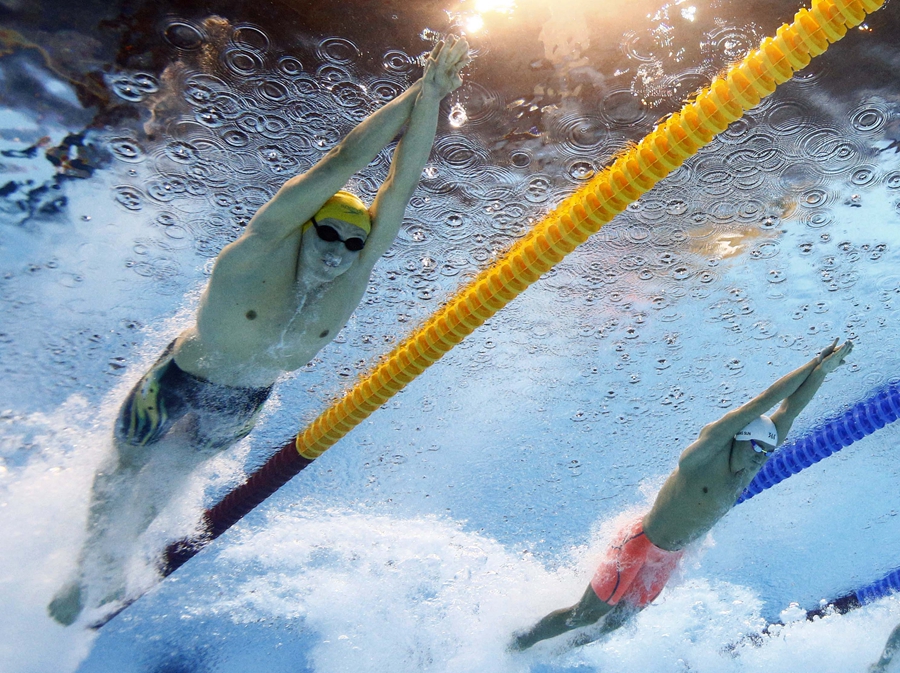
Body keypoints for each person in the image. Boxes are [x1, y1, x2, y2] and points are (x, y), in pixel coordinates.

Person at [48, 35, 471, 626]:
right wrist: (419, 89)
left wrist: (435, 98)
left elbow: (399, 187)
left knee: (169, 476)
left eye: (354, 243)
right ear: (306, 228)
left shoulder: (353, 271)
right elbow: (345, 162)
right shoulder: (262, 248)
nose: (339, 251)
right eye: (327, 234)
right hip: (179, 377)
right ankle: (85, 566)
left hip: (242, 404)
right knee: (123, 469)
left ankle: (118, 557)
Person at [510, 338, 854, 651]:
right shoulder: (701, 457)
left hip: (669, 557)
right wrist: (812, 363)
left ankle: (555, 653)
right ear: (738, 438)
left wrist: (823, 373)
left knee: (614, 624)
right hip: (641, 543)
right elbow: (764, 403)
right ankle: (516, 644)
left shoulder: (751, 461)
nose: (759, 459)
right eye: (755, 449)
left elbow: (789, 411)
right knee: (585, 615)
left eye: (766, 452)